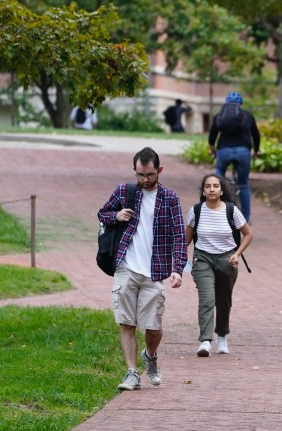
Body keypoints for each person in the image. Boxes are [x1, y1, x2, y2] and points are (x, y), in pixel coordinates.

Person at [97, 147, 187, 391]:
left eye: (149, 175)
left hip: (155, 271)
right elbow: (102, 214)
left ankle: (150, 355)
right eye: (140, 175)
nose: (145, 180)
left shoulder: (170, 198)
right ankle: (131, 372)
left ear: (159, 170)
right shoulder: (125, 192)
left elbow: (179, 235)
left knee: (153, 327)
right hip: (126, 267)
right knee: (126, 322)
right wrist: (117, 215)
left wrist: (178, 268)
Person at [185, 174, 253, 357]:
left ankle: (222, 336)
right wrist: (177, 259)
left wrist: (237, 255)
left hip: (227, 259)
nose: (212, 189)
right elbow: (187, 238)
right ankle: (205, 341)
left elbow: (248, 234)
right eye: (208, 186)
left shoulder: (231, 210)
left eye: (215, 186)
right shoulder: (196, 211)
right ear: (203, 190)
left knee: (224, 301)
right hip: (203, 258)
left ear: (221, 190)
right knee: (206, 299)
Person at [208, 91, 261, 222]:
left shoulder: (219, 116)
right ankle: (245, 219)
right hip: (243, 152)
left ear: (225, 103)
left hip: (224, 151)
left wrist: (212, 150)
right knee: (243, 184)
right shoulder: (247, 116)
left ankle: (218, 213)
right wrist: (255, 151)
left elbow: (212, 136)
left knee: (219, 178)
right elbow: (256, 135)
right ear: (240, 104)